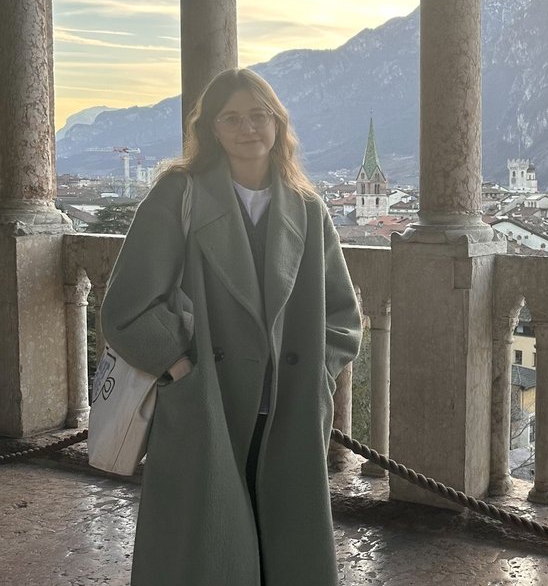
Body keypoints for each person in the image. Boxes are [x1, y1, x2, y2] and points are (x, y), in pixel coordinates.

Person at [102, 67, 362, 585]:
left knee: (283, 546)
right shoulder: (180, 194)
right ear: (212, 129)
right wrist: (180, 369)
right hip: (206, 403)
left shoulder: (307, 207)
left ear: (277, 123)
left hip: (286, 404)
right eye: (232, 118)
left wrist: (318, 376)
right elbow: (126, 307)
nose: (248, 128)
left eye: (259, 115)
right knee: (207, 551)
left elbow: (342, 315)